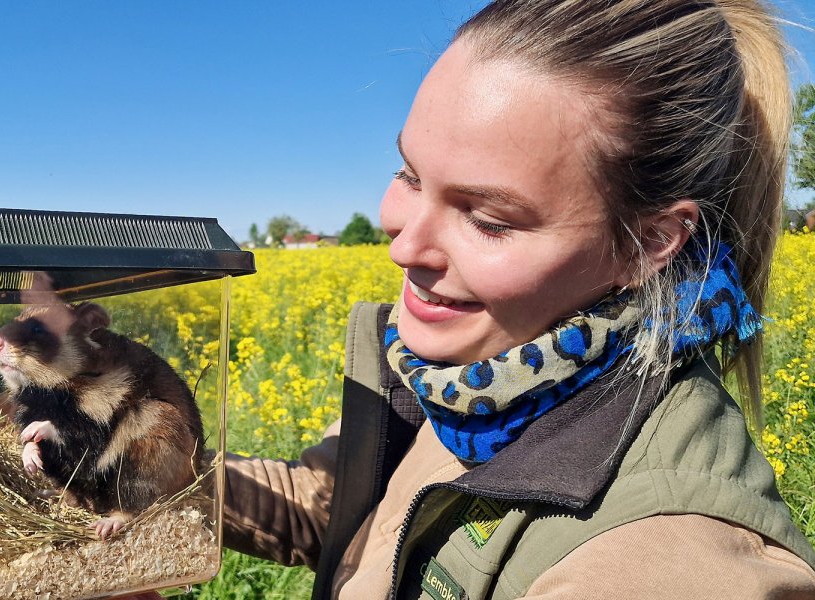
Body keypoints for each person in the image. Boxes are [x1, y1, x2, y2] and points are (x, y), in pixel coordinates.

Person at [221, 0, 815, 598]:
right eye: (409, 175)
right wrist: (160, 452)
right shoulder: (477, 373)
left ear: (650, 244)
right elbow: (340, 512)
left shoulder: (662, 564)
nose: (403, 247)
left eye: (488, 220)